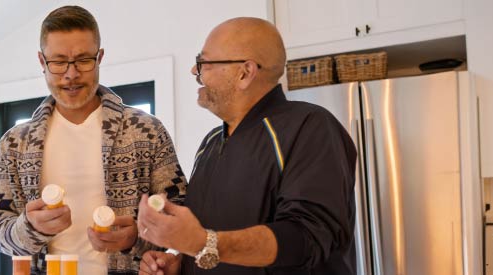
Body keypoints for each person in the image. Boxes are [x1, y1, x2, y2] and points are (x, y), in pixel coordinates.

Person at [137, 17, 357, 275]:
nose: (195, 72)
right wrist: (182, 264)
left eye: (204, 62)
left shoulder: (310, 127)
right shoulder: (209, 144)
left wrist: (201, 243)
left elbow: (306, 238)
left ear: (244, 73)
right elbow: (207, 242)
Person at [0, 6, 187, 275]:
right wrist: (30, 228)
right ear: (42, 62)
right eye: (58, 61)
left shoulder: (147, 131)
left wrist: (136, 237)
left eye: (83, 60)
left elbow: (180, 212)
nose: (71, 74)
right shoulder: (15, 143)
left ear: (99, 57)